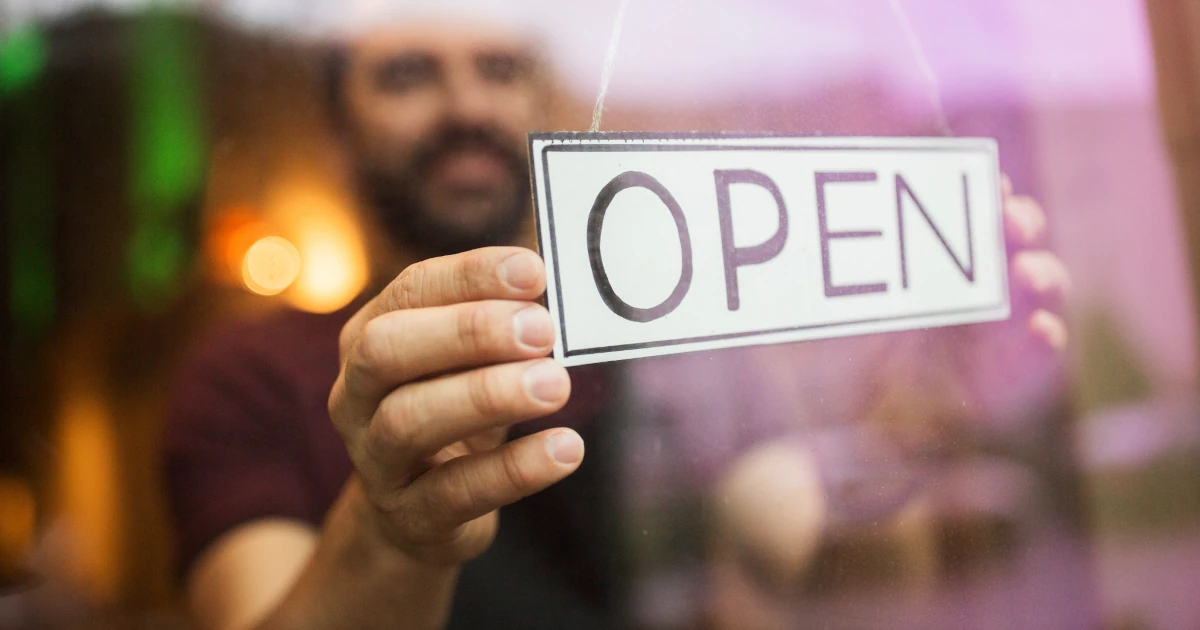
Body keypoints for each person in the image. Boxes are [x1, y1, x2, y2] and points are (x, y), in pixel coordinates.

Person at [164, 11, 1070, 630]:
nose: (467, 105)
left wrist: (925, 414)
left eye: (500, 67)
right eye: (408, 75)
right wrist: (399, 526)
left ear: (545, 104)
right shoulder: (248, 379)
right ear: (338, 129)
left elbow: (783, 576)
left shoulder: (667, 338)